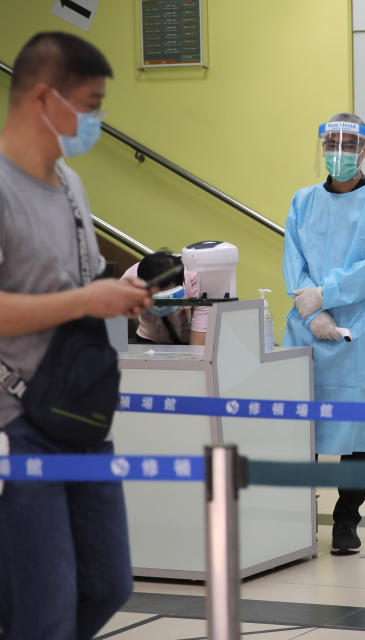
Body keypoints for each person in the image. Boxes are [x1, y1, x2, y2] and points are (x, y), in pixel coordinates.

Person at [0, 32, 155, 639]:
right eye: (89, 105)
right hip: (17, 421)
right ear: (43, 98)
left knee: (107, 582)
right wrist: (87, 299)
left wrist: (126, 292)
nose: (95, 121)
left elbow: (80, 282)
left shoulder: (69, 184)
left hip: (81, 416)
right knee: (46, 605)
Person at [281, 113, 365, 555]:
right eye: (331, 142)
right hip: (305, 328)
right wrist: (309, 310)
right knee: (301, 426)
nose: (339, 152)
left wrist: (327, 294)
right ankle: (296, 517)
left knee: (357, 432)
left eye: (349, 143)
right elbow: (293, 258)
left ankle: (346, 519)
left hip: (360, 331)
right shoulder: (302, 201)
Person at [121, 250, 209, 346]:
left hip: (189, 336)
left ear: (182, 283)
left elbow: (198, 346)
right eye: (154, 297)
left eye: (168, 297)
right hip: (149, 337)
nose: (161, 305)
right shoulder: (129, 283)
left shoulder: (199, 279)